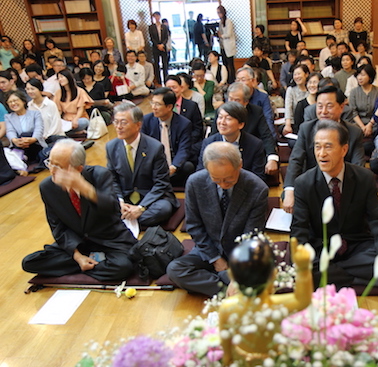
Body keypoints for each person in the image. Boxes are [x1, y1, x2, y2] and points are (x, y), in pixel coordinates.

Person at [291, 119, 378, 287]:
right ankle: (355, 277)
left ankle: (330, 276)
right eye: (317, 147)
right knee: (303, 269)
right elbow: (299, 229)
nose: (321, 154)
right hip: (322, 246)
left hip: (356, 244)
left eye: (328, 146)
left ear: (344, 149)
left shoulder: (364, 177)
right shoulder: (303, 183)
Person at [22, 139, 136, 281]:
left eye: (58, 167)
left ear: (78, 168)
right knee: (29, 262)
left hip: (108, 239)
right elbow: (57, 226)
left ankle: (84, 267)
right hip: (77, 243)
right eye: (50, 163)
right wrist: (77, 255)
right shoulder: (47, 186)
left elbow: (113, 209)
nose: (52, 170)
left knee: (124, 266)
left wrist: (84, 188)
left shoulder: (100, 175)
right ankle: (91, 264)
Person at [166, 142, 269, 296]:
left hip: (240, 253)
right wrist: (215, 259)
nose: (222, 185)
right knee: (174, 270)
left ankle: (225, 283)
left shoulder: (257, 189)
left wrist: (237, 273)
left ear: (239, 165)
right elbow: (194, 226)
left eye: (228, 180)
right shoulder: (195, 183)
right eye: (216, 179)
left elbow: (251, 236)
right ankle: (226, 291)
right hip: (209, 248)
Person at [219, 235, 312, 366]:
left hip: (242, 362)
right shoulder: (276, 305)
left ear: (231, 276)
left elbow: (226, 346)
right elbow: (303, 300)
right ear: (274, 275)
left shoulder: (227, 307)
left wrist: (227, 360)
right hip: (275, 361)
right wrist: (303, 269)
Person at [282, 86, 365, 213]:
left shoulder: (354, 132)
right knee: (290, 196)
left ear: (341, 107)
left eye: (329, 106)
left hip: (340, 184)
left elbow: (358, 166)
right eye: (320, 106)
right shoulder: (306, 129)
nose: (323, 111)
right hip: (312, 183)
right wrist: (289, 190)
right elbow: (296, 160)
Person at [106, 102, 179, 227]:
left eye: (123, 122)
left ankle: (123, 222)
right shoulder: (111, 146)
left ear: (138, 125)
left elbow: (161, 183)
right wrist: (121, 202)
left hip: (150, 198)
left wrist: (140, 208)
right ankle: (128, 219)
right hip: (126, 197)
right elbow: (112, 180)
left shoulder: (155, 147)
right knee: (99, 204)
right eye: (116, 122)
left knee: (163, 209)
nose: (118, 127)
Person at [210, 82, 278, 176]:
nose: (232, 103)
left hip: (250, 152)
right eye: (230, 99)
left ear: (246, 101)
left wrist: (272, 158)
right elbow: (214, 136)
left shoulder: (256, 112)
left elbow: (266, 135)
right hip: (223, 152)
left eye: (237, 100)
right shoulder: (221, 111)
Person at [198, 101, 266, 181]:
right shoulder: (209, 143)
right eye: (220, 117)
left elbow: (258, 177)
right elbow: (201, 173)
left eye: (228, 119)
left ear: (241, 124)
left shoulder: (255, 144)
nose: (222, 122)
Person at [141, 87, 193, 187]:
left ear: (169, 107)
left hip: (173, 165)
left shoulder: (184, 124)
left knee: (188, 167)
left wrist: (173, 167)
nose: (153, 107)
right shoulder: (146, 121)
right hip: (154, 165)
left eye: (158, 104)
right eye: (152, 103)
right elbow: (144, 147)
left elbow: (184, 149)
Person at [164, 75, 203, 164]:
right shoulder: (162, 107)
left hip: (188, 145)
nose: (171, 91)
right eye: (168, 88)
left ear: (181, 88)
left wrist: (184, 143)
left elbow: (198, 130)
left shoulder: (192, 106)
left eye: (174, 87)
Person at [5, 89, 46, 164]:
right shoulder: (8, 117)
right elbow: (10, 131)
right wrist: (15, 141)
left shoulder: (35, 114)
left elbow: (39, 129)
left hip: (35, 144)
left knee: (25, 135)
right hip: (18, 145)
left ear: (23, 101)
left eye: (15, 100)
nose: (13, 103)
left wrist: (31, 140)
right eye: (10, 102)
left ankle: (24, 159)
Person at [236, 67, 276, 139]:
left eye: (243, 80)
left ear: (253, 81)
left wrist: (271, 139)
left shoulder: (263, 97)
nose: (240, 83)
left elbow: (268, 119)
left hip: (258, 133)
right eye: (238, 80)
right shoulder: (232, 97)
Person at [26, 78, 65, 146]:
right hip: (38, 138)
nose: (30, 91)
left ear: (40, 90)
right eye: (28, 89)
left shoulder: (50, 104)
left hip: (54, 137)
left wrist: (46, 136)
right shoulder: (29, 106)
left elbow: (56, 124)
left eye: (32, 89)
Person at [54, 69, 93, 135]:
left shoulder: (80, 91)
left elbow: (81, 109)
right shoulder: (58, 92)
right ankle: (73, 133)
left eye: (62, 77)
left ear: (68, 78)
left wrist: (75, 119)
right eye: (59, 78)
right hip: (65, 120)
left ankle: (68, 133)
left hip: (78, 118)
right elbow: (58, 110)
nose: (60, 79)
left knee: (84, 122)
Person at [349, 64, 378, 138]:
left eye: (363, 75)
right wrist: (363, 127)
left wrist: (370, 125)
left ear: (370, 76)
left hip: (374, 123)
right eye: (358, 75)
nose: (359, 78)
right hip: (358, 123)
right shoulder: (354, 92)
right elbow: (353, 112)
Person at [282, 65, 309, 135]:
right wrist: (288, 125)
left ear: (306, 74)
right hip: (294, 123)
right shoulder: (291, 90)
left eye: (299, 74)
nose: (297, 77)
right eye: (295, 74)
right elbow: (288, 108)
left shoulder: (310, 89)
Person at [149, 11, 170, 85]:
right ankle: (158, 80)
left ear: (160, 16)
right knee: (157, 64)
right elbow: (151, 38)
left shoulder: (164, 26)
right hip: (155, 47)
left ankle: (166, 79)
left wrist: (162, 45)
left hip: (163, 47)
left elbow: (166, 37)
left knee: (165, 63)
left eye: (158, 16)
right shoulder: (151, 27)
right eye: (155, 16)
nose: (157, 18)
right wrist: (158, 45)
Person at [217, 6, 236, 84]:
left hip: (228, 45)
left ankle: (232, 80)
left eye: (219, 12)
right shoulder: (220, 22)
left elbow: (229, 34)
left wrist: (221, 35)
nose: (218, 14)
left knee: (230, 64)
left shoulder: (228, 21)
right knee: (224, 64)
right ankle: (227, 80)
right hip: (223, 46)